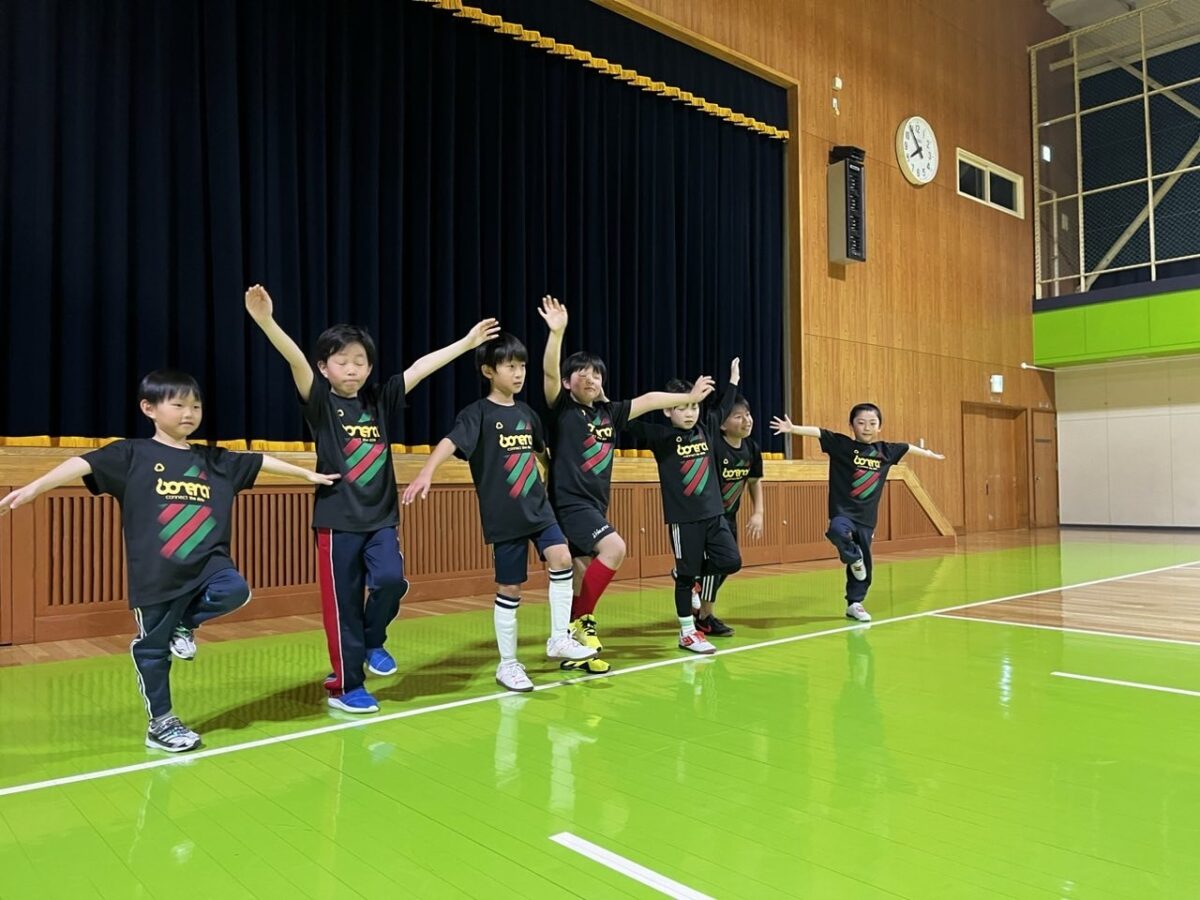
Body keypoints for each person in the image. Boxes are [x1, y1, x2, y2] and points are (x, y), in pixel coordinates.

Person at [0, 370, 339, 752]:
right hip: (156, 575)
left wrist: (306, 473)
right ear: (149, 408)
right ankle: (161, 723)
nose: (188, 413)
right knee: (153, 651)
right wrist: (34, 487)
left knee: (235, 590)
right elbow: (81, 463)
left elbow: (259, 460)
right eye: (177, 405)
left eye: (195, 406)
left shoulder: (214, 460)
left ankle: (184, 625)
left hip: (208, 564)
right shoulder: (131, 454)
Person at [245, 283, 499, 713]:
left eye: (360, 361)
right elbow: (294, 359)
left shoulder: (378, 400)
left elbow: (420, 368)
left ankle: (372, 640)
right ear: (325, 367)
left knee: (390, 580)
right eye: (342, 361)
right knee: (342, 607)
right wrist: (266, 320)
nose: (352, 369)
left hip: (381, 519)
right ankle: (346, 687)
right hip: (337, 522)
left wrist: (466, 343)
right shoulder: (320, 403)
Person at [402, 333, 597, 692]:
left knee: (561, 557)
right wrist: (427, 471)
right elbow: (450, 441)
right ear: (488, 371)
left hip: (539, 509)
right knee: (511, 588)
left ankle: (559, 638)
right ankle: (508, 665)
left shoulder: (527, 414)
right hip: (505, 516)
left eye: (522, 366)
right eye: (510, 366)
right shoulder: (477, 414)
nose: (519, 373)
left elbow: (541, 453)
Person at [537, 295, 714, 664]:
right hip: (569, 502)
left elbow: (648, 399)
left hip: (595, 503)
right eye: (582, 373)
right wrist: (557, 333)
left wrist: (688, 396)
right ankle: (579, 623)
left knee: (581, 572)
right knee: (615, 548)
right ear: (568, 383)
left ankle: (577, 643)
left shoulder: (610, 413)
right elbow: (550, 374)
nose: (590, 378)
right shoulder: (562, 410)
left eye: (596, 374)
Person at [770, 404, 944, 621]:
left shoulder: (885, 451)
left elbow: (907, 447)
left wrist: (927, 453)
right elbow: (820, 432)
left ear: (879, 427)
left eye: (872, 423)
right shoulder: (842, 446)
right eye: (861, 423)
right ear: (851, 425)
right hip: (842, 512)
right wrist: (793, 429)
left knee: (865, 563)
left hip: (867, 519)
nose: (867, 427)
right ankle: (854, 557)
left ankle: (855, 603)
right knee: (836, 531)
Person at [626, 360, 744, 654]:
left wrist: (733, 380)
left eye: (694, 407)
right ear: (668, 411)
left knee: (731, 561)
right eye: (683, 408)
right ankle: (687, 633)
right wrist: (604, 401)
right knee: (686, 576)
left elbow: (724, 406)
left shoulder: (707, 429)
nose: (691, 413)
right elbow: (624, 419)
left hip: (714, 516)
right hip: (684, 520)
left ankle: (686, 576)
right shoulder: (661, 437)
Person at [695, 392, 764, 636]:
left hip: (730, 517)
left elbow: (754, 481)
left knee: (727, 564)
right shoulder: (714, 445)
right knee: (719, 564)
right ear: (722, 423)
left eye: (748, 414)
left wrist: (758, 512)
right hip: (709, 518)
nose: (747, 420)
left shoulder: (752, 448)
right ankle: (704, 617)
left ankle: (692, 582)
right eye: (738, 416)